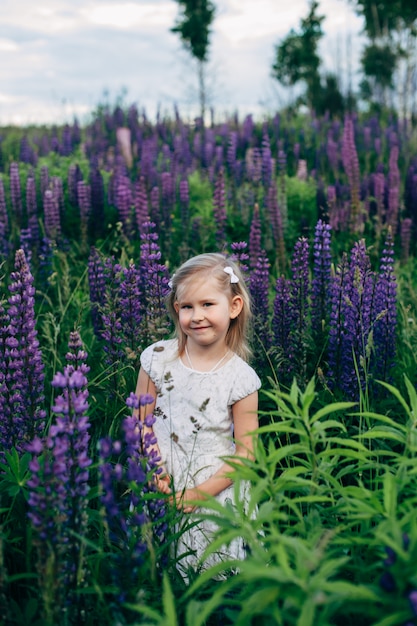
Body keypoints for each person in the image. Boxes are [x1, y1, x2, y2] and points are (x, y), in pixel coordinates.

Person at [135, 252, 261, 575]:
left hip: (214, 487)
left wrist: (198, 495)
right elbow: (139, 421)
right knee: (153, 564)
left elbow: (246, 453)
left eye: (208, 304)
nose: (197, 315)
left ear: (234, 307)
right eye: (187, 306)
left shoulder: (241, 378)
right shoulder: (156, 359)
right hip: (157, 476)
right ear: (176, 310)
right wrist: (155, 469)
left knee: (207, 574)